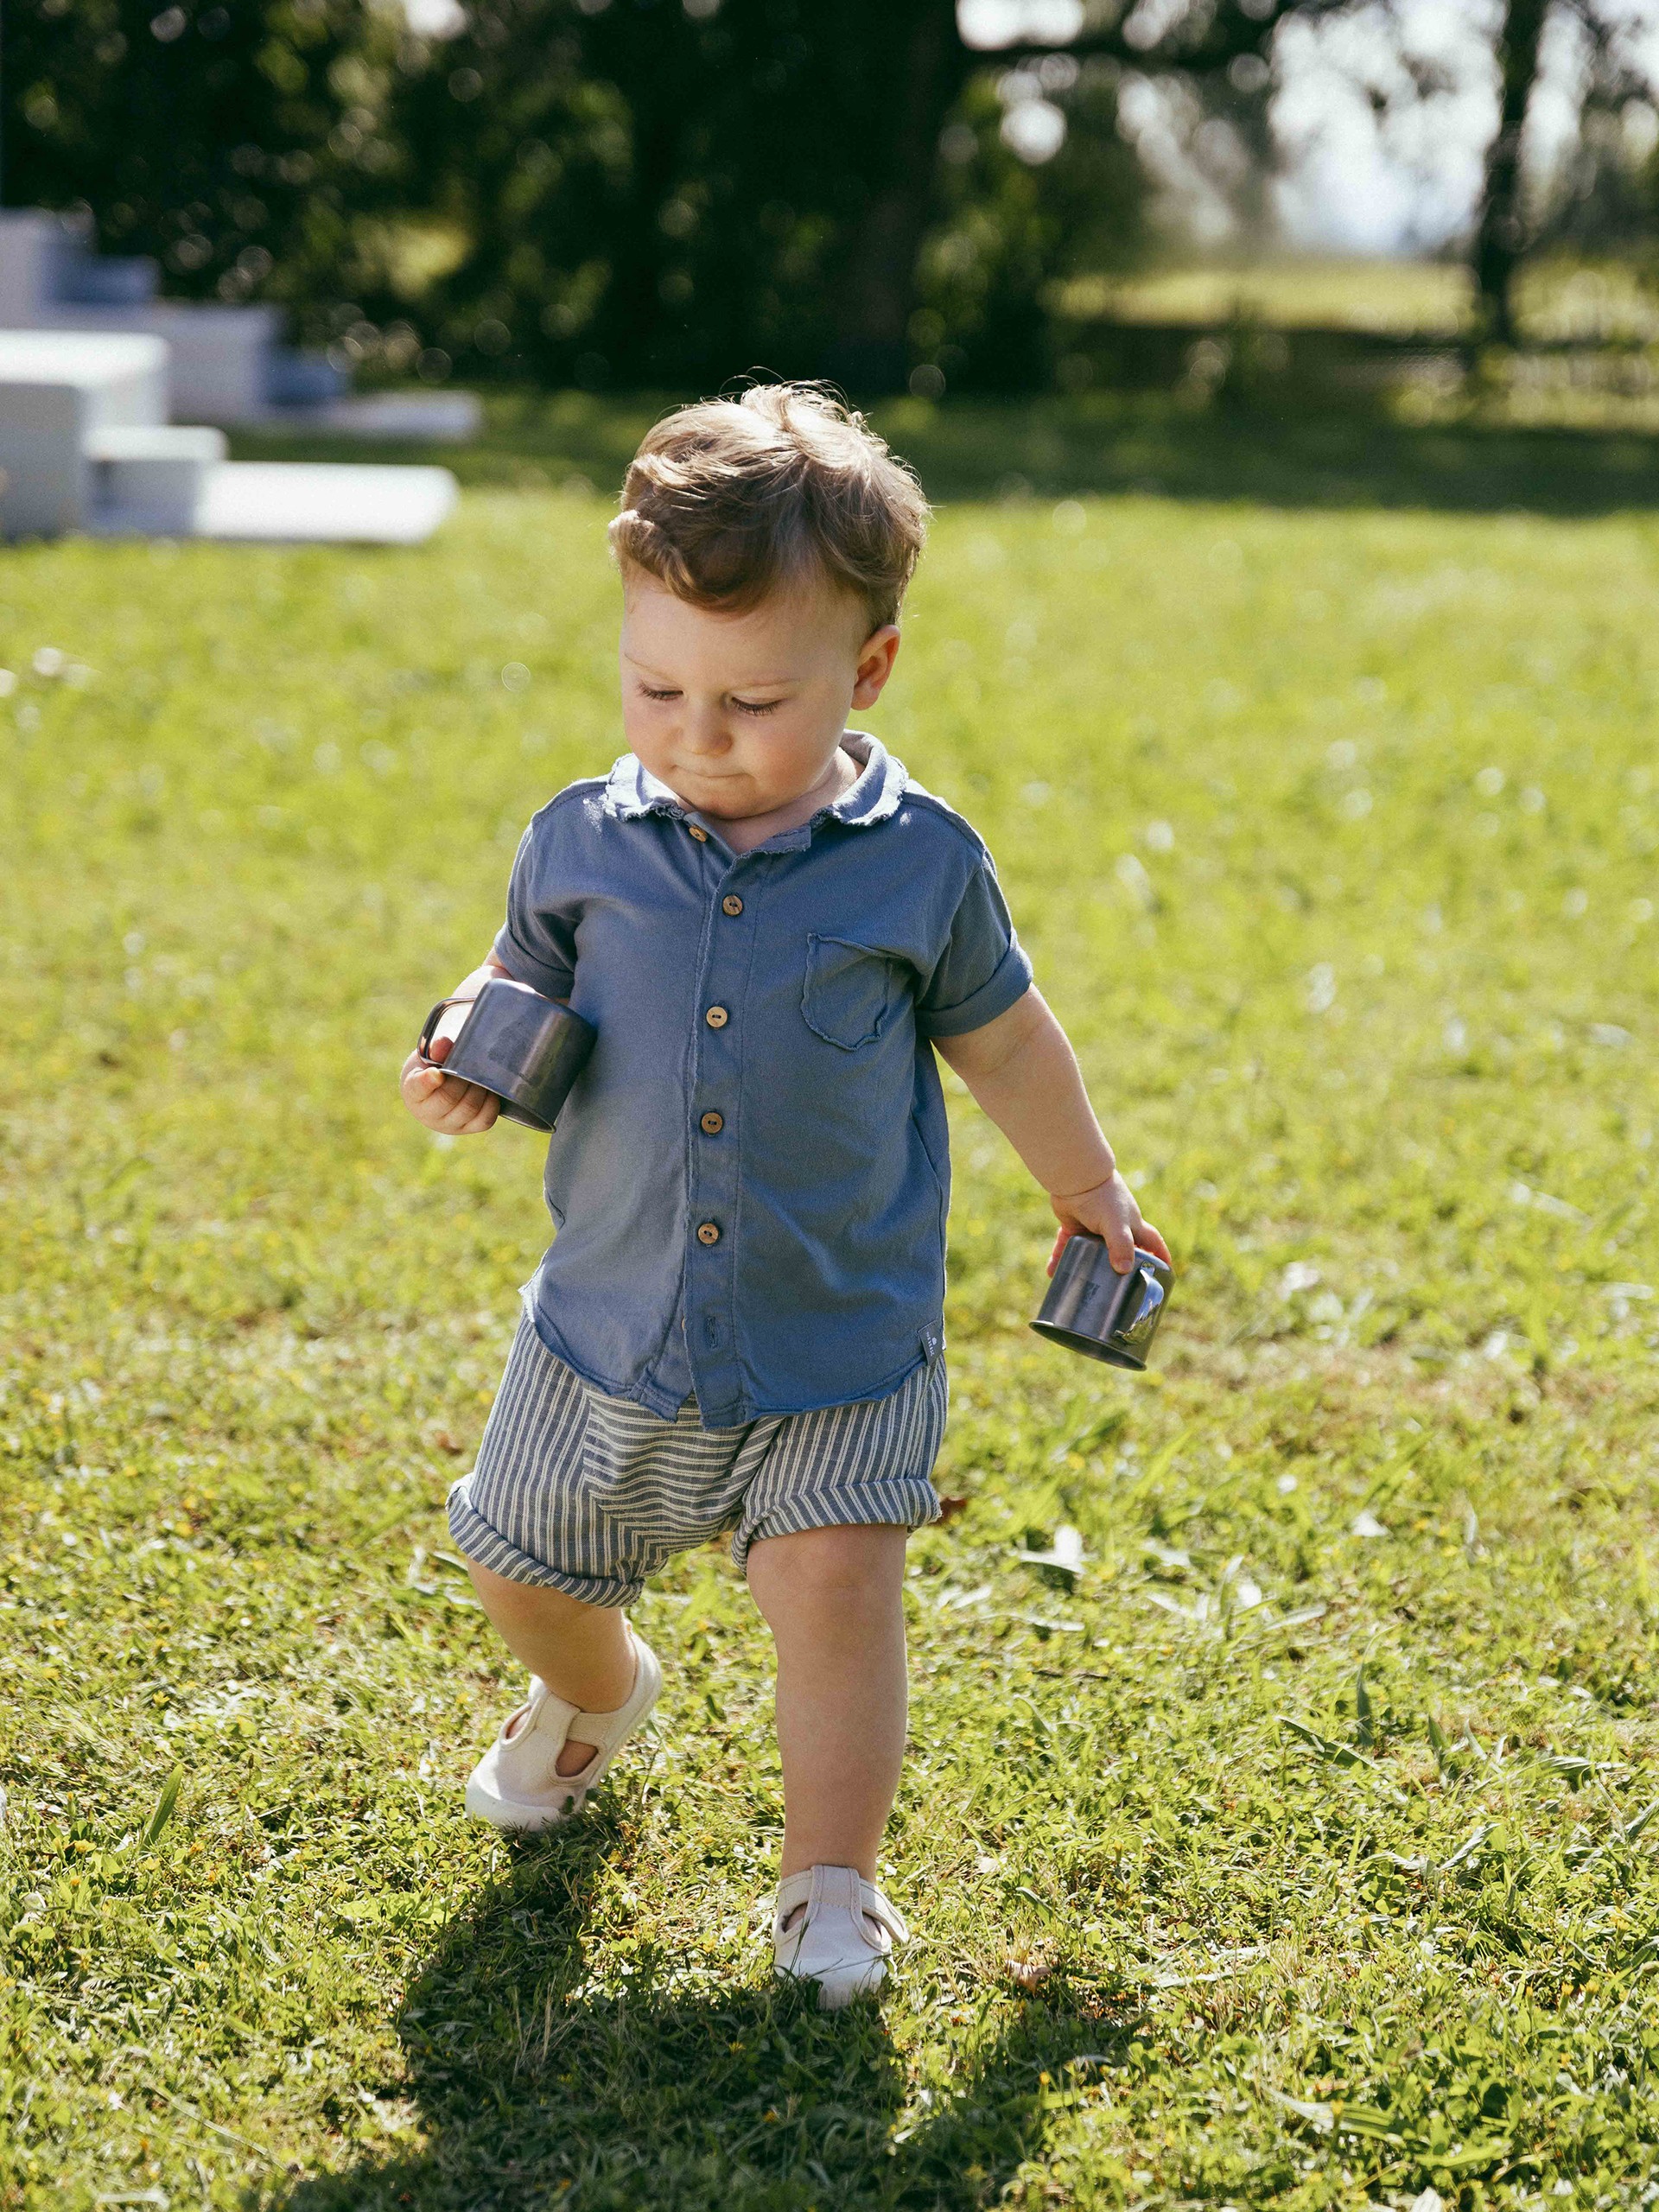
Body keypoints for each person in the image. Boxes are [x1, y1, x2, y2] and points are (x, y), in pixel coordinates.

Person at [399, 383, 1170, 2008]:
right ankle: (600, 1695)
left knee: (835, 1593)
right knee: (516, 1568)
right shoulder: (583, 841)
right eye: (654, 684)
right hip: (607, 1331)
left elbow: (1009, 1038)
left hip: (839, 1342)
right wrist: (467, 1040)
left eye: (751, 700)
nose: (694, 733)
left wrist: (1090, 1184)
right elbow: (514, 978)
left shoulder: (921, 867)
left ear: (866, 670)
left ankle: (833, 1885)